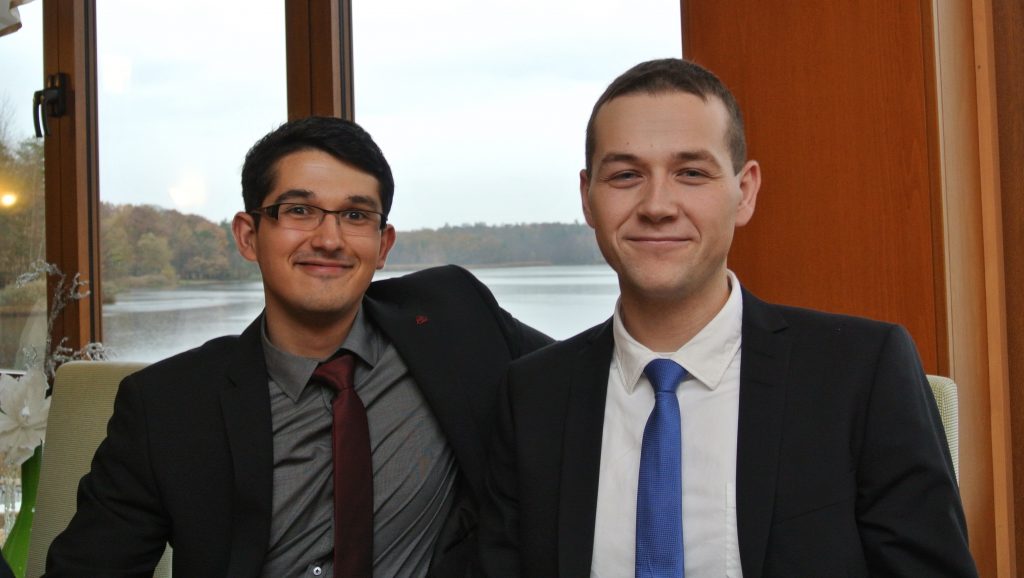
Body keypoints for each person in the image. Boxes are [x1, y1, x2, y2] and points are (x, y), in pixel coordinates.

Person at [478, 58, 977, 577]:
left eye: (691, 173)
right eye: (626, 175)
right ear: (587, 198)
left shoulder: (860, 373)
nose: (657, 205)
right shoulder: (533, 397)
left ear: (746, 192)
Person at [45, 116, 552, 577]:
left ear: (383, 245)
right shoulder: (167, 407)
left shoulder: (454, 318)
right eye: (300, 210)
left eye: (356, 215)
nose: (329, 239)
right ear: (248, 236)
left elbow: (580, 377)